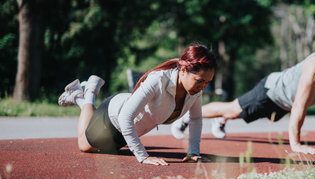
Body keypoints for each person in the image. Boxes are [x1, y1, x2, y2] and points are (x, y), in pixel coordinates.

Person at [171, 41, 315, 155]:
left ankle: (221, 120)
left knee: (237, 115)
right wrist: (296, 144)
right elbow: (300, 104)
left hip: (284, 104)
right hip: (272, 91)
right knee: (232, 110)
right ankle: (188, 115)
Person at [58, 44, 216, 165]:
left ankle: (81, 97)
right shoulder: (158, 80)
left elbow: (195, 119)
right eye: (200, 81)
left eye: (207, 82)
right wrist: (143, 156)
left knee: (101, 148)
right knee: (84, 146)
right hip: (114, 116)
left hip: (129, 128)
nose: (203, 87)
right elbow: (126, 116)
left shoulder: (195, 91)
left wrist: (193, 152)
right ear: (183, 70)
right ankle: (89, 92)